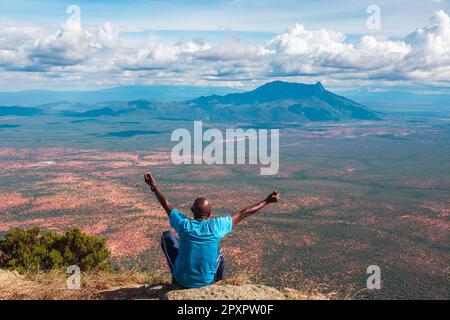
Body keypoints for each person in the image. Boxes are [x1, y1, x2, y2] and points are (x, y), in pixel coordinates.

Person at [144, 172, 280, 288]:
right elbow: (244, 213)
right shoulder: (217, 226)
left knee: (167, 236)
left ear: (192, 211)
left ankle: (177, 272)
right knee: (219, 253)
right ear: (209, 215)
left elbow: (166, 204)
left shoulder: (183, 224)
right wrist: (267, 201)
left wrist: (154, 186)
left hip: (181, 281)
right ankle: (218, 281)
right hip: (206, 283)